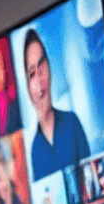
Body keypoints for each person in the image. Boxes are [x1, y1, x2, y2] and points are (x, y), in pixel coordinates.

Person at [23, 28, 92, 180]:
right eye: (32, 74)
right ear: (28, 87)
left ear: (49, 70)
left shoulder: (71, 122)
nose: (40, 80)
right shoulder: (35, 149)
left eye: (42, 67)